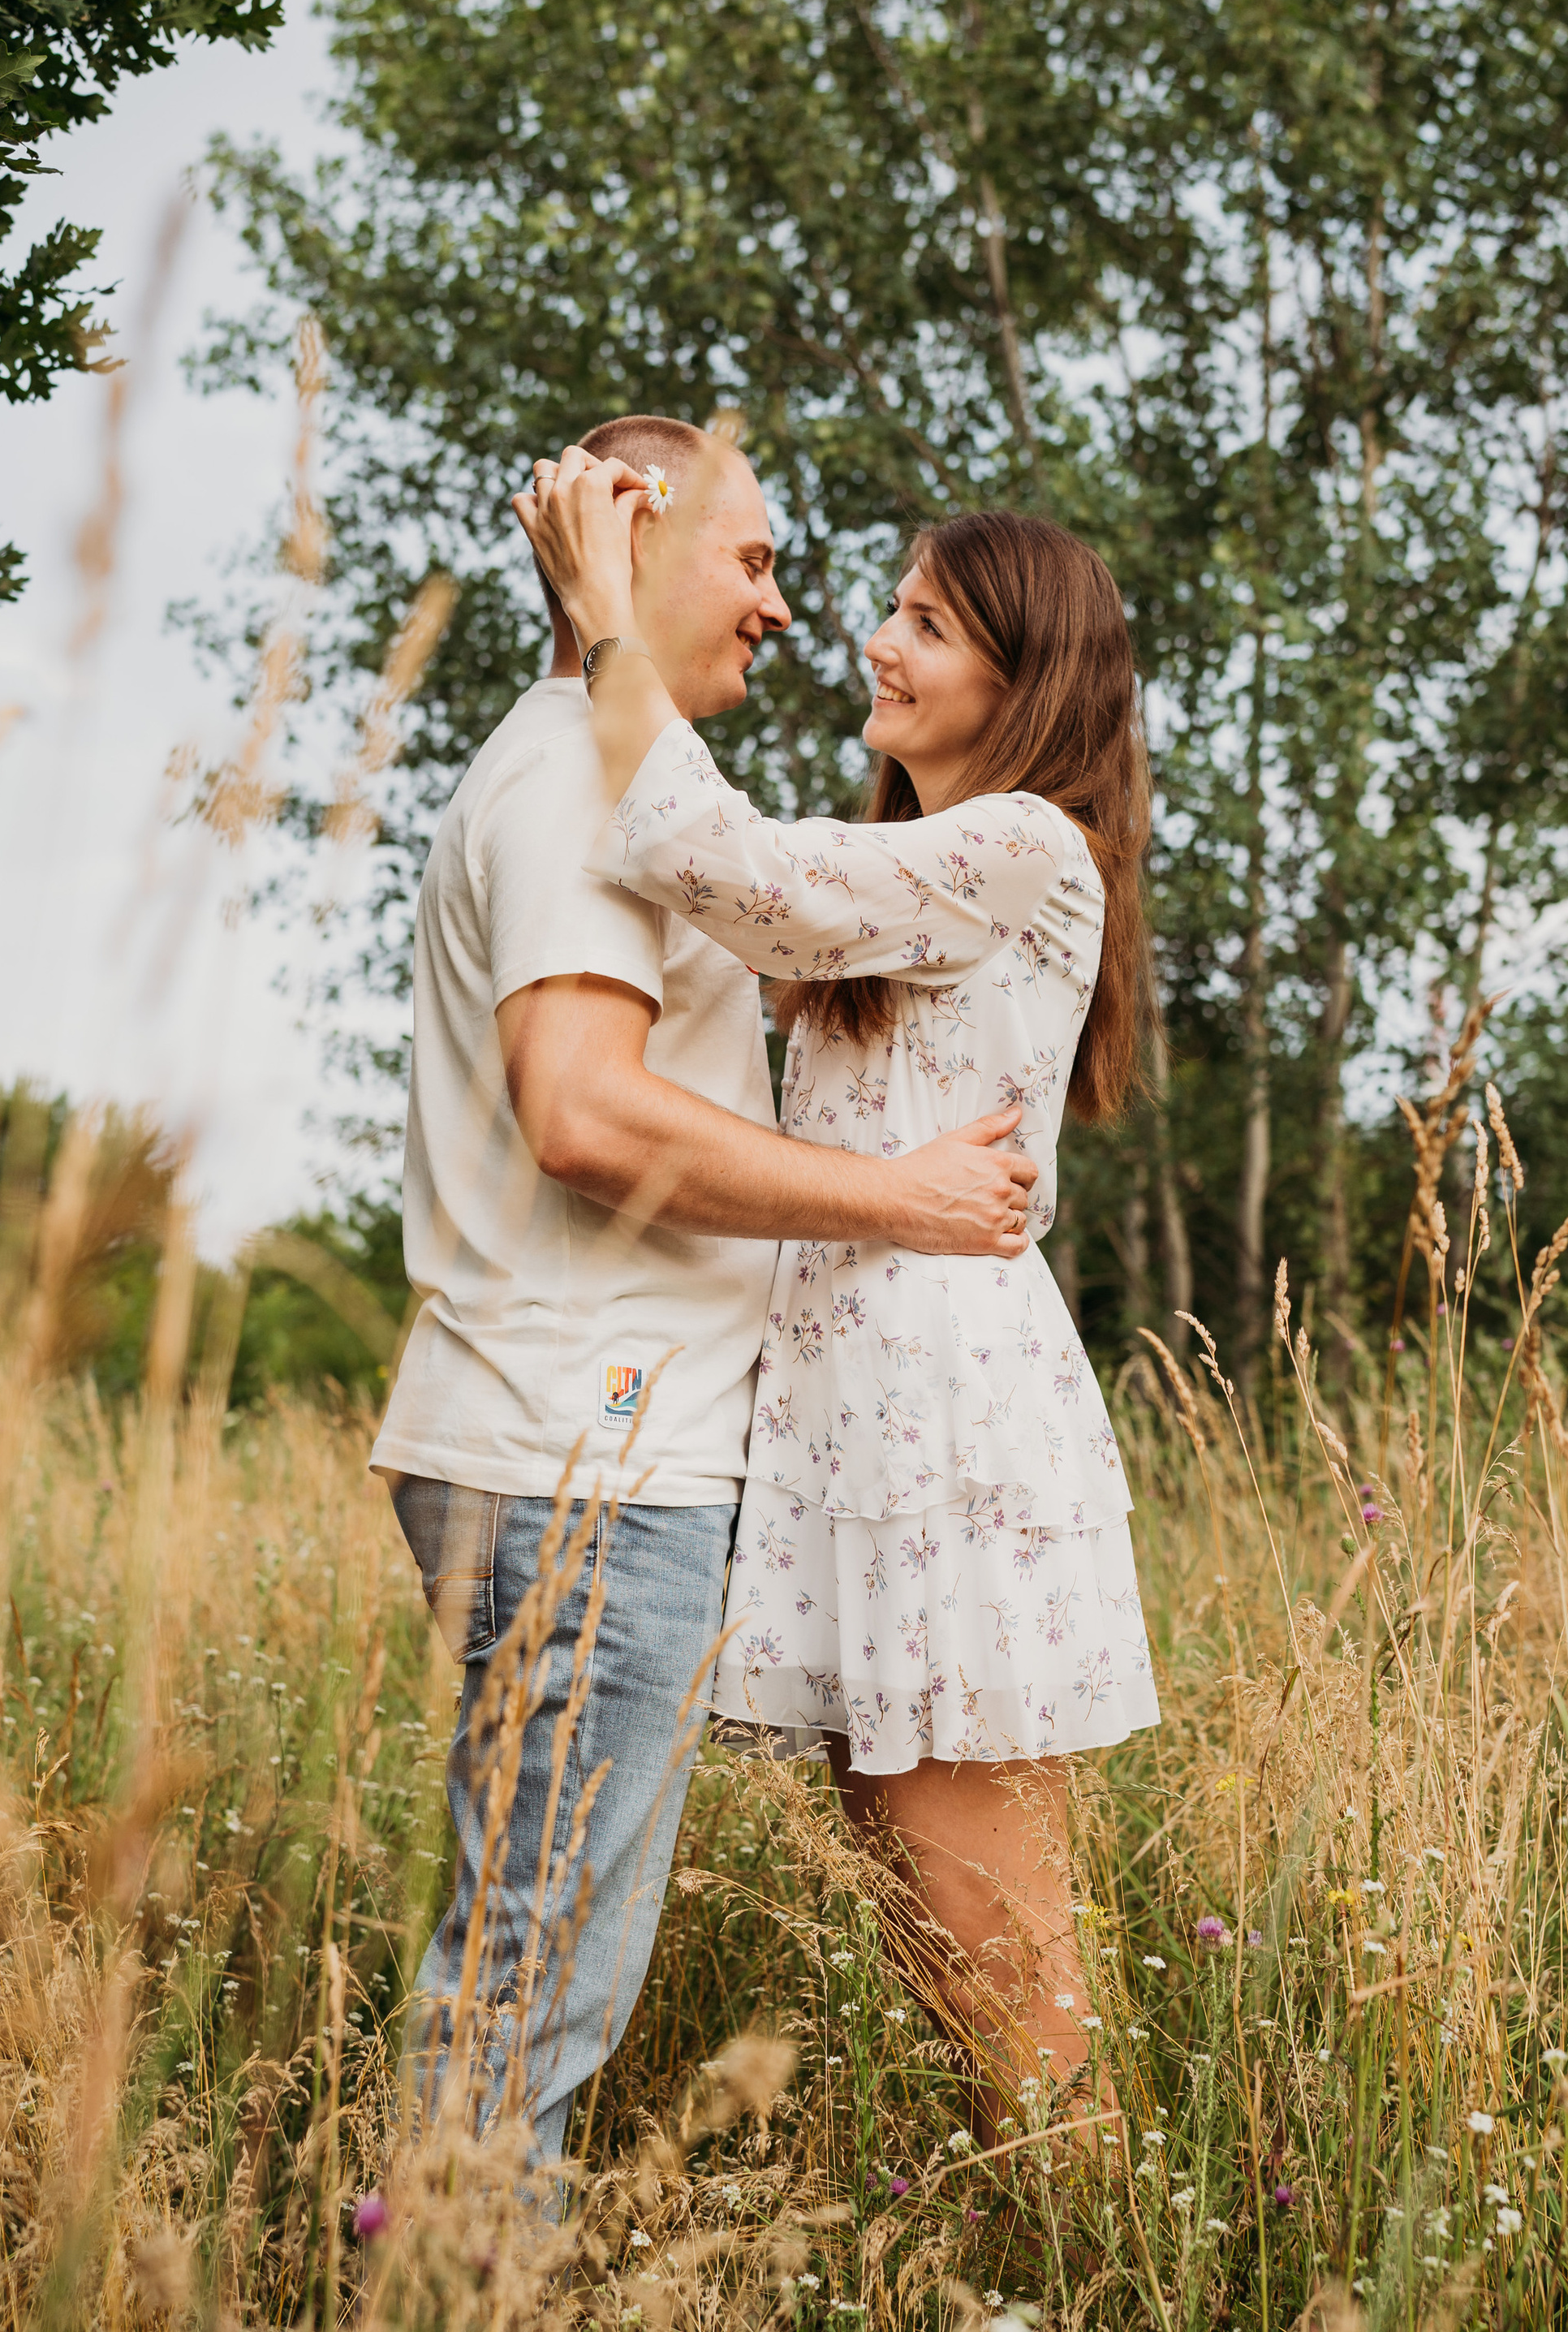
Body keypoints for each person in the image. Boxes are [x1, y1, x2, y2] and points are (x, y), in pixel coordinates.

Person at [373, 414, 1045, 2169]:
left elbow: (768, 897)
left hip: (583, 1450)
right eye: (751, 559)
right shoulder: (575, 784)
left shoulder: (618, 774)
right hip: (583, 1456)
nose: (782, 607)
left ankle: (430, 2317)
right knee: (533, 1992)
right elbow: (584, 1114)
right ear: (638, 540)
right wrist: (898, 1198)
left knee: (534, 1976)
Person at [516, 449, 1161, 2136]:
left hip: (939, 1418)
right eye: (894, 608)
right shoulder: (937, 866)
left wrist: (603, 614)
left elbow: (732, 869)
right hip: (859, 1414)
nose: (876, 641)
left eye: (926, 624)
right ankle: (1052, 2235)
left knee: (992, 1941)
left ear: (1025, 681)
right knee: (930, 1926)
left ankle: (1105, 2244)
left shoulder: (1022, 843)